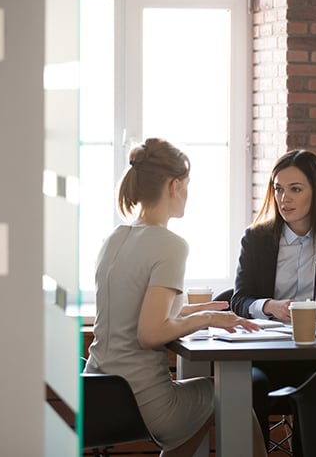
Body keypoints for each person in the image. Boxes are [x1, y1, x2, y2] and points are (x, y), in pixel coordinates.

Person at [84, 138, 266, 457]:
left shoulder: (113, 238)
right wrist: (205, 318)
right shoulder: (169, 244)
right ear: (174, 185)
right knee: (232, 396)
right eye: (187, 185)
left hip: (101, 395)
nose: (187, 194)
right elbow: (149, 334)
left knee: (208, 405)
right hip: (144, 401)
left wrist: (188, 310)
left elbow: (132, 311)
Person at [230, 149, 316, 447]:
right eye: (278, 189)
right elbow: (239, 300)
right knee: (250, 384)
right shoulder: (257, 238)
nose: (283, 198)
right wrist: (270, 307)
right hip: (269, 351)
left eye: (295, 189)